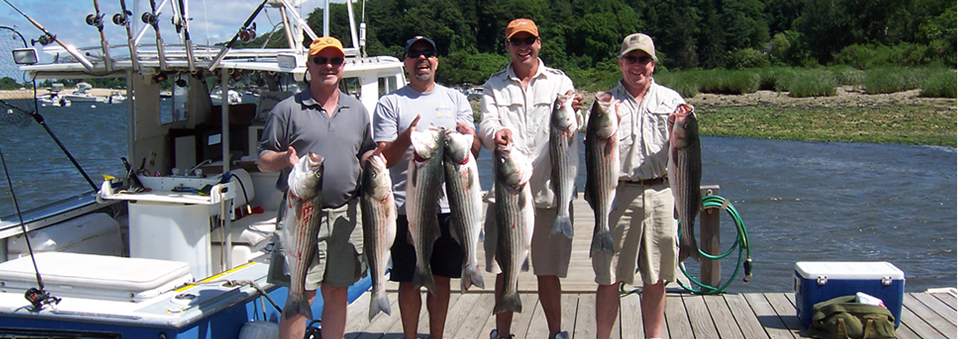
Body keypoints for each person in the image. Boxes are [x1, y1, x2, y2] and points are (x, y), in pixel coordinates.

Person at [258, 36, 374, 339]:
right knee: (301, 294)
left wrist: (378, 157)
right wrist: (284, 158)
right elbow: (263, 160)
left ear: (343, 66)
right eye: (320, 60)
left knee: (337, 292)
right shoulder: (287, 109)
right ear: (308, 66)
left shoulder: (358, 110)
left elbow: (365, 152)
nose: (328, 66)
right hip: (302, 215)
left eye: (335, 60)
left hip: (347, 215)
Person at [478, 18, 583, 339]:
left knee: (548, 272)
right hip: (508, 195)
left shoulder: (558, 81)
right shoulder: (494, 85)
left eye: (529, 40)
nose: (523, 47)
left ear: (539, 43)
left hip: (551, 193)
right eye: (516, 41)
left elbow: (572, 127)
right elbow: (485, 126)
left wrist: (575, 107)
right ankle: (502, 333)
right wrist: (497, 134)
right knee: (505, 268)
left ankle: (556, 333)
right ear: (508, 46)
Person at [373, 35, 479, 339]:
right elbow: (385, 158)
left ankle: (436, 336)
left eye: (428, 54)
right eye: (415, 54)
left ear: (436, 60)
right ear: (405, 63)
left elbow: (472, 155)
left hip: (451, 207)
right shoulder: (390, 103)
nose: (422, 59)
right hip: (409, 207)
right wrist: (406, 138)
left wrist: (472, 137)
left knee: (443, 278)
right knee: (409, 280)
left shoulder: (456, 99)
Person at [593, 33, 686, 339]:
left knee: (656, 276)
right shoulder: (605, 103)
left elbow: (687, 150)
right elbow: (589, 145)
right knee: (608, 276)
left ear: (653, 64)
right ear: (620, 63)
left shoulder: (672, 101)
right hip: (619, 194)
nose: (637, 65)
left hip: (661, 193)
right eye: (630, 59)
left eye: (643, 59)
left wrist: (682, 124)